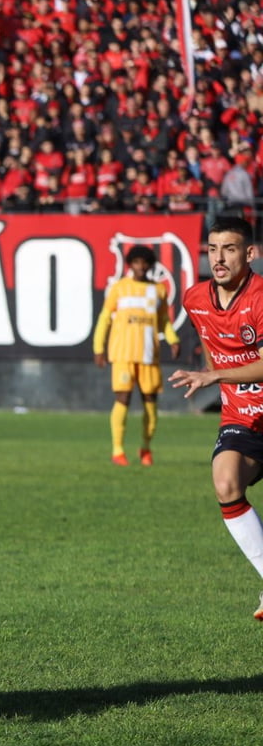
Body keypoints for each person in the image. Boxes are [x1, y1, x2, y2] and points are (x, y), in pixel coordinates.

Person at [169, 216, 263, 619]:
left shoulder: (261, 297)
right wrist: (213, 376)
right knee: (225, 483)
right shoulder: (194, 298)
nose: (219, 258)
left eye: (229, 248)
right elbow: (211, 343)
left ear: (250, 253)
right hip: (243, 416)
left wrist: (216, 375)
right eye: (212, 249)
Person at [92, 245, 181, 466]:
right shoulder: (119, 288)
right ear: (130, 264)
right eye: (136, 262)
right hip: (123, 353)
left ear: (150, 265)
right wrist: (98, 347)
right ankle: (118, 450)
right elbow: (104, 317)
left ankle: (146, 448)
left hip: (149, 355)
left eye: (145, 262)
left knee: (150, 402)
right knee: (122, 398)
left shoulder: (158, 290)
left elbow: (163, 321)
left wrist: (172, 339)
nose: (141, 266)